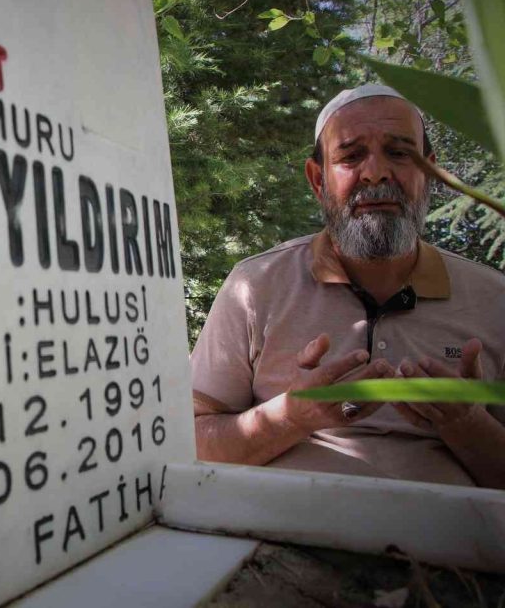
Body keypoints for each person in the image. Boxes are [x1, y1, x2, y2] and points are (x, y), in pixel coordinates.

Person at [191, 84, 505, 489]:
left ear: (430, 173)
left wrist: (466, 424)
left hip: (450, 548)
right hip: (277, 545)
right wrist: (293, 417)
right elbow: (193, 443)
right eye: (351, 155)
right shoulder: (255, 287)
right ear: (318, 179)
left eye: (399, 153)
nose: (375, 173)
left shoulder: (494, 300)